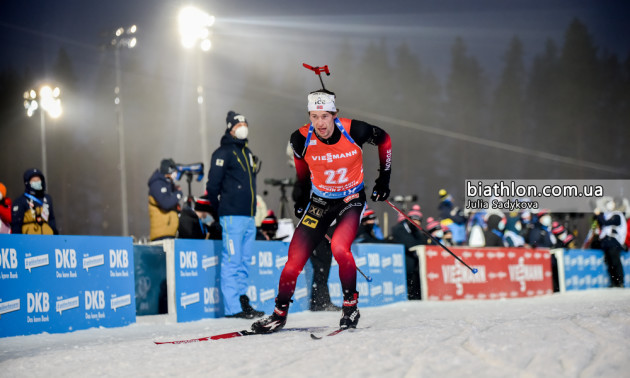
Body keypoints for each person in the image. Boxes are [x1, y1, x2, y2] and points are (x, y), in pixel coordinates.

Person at [251, 87, 392, 334]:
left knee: (339, 247)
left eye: (325, 116)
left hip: (350, 198)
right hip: (320, 201)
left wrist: (383, 180)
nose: (320, 123)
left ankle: (350, 307)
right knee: (294, 260)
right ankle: (279, 314)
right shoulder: (299, 138)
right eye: (314, 116)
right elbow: (302, 175)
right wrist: (300, 198)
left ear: (334, 114)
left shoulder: (354, 129)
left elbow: (385, 139)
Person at [206, 110, 264, 319]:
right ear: (230, 128)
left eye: (244, 125)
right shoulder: (222, 153)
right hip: (231, 216)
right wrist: (217, 209)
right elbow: (212, 186)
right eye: (239, 125)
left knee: (244, 262)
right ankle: (233, 309)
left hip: (248, 216)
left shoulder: (247, 153)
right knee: (232, 261)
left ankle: (242, 302)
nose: (243, 128)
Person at [389, 204, 426, 300]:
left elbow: (422, 242)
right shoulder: (399, 229)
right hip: (400, 262)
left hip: (412, 263)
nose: (416, 222)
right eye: (413, 219)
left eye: (418, 220)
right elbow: (411, 244)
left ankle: (415, 296)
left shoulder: (415, 230)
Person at [11, 168, 58, 234]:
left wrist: (56, 236)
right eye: (33, 180)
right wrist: (17, 241)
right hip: (29, 240)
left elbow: (51, 220)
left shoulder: (47, 199)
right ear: (27, 183)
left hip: (47, 238)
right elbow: (16, 225)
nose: (37, 182)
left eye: (38, 180)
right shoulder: (21, 201)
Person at [148, 158, 183, 241]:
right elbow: (166, 203)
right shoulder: (156, 184)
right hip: (161, 234)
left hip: (169, 232)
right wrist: (178, 194)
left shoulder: (168, 183)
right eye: (174, 171)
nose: (175, 174)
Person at [595, 199, 627, 287]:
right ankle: (613, 282)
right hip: (607, 242)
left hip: (614, 242)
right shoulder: (606, 215)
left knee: (615, 262)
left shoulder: (617, 215)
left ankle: (620, 282)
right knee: (609, 263)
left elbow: (606, 223)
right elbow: (600, 224)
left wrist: (598, 215)